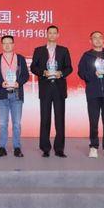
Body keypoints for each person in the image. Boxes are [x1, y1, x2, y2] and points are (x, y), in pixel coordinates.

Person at [30, 25, 73, 158]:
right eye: (50, 33)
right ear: (46, 34)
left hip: (59, 88)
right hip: (45, 88)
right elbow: (33, 67)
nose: (52, 35)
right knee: (45, 119)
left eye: (55, 33)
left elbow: (69, 68)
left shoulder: (64, 50)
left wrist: (61, 73)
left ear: (58, 35)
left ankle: (59, 149)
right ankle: (45, 148)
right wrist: (43, 72)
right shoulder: (39, 50)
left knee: (60, 120)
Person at [77, 31, 104, 159]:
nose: (97, 40)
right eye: (94, 38)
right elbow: (81, 72)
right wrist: (93, 74)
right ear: (90, 41)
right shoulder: (86, 56)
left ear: (103, 39)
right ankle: (93, 146)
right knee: (93, 121)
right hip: (93, 93)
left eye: (100, 37)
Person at [0, 35, 30, 158]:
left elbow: (25, 75)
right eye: (5, 43)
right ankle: (2, 147)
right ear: (2, 45)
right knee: (2, 123)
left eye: (9, 43)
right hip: (2, 94)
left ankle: (17, 147)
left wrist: (19, 83)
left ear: (13, 44)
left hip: (16, 95)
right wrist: (1, 83)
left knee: (16, 123)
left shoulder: (20, 59)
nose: (7, 45)